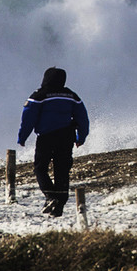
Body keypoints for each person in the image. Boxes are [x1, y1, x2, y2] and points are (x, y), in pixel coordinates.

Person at [18, 67, 89, 218]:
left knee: (40, 168)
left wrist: (22, 137)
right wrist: (81, 137)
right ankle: (58, 207)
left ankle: (50, 197)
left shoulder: (39, 95)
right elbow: (82, 118)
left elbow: (28, 117)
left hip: (46, 136)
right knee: (62, 170)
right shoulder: (72, 95)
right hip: (66, 137)